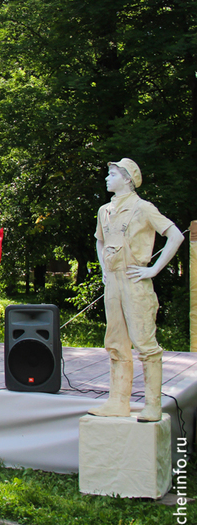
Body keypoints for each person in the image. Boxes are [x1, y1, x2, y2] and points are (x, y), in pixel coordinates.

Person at [88, 158, 183, 422]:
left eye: (113, 173)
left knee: (144, 343)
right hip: (114, 283)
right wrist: (104, 269)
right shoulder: (104, 210)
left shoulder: (143, 208)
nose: (107, 178)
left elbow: (175, 235)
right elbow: (100, 241)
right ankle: (118, 401)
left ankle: (153, 404)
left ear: (128, 179)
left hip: (135, 280)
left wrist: (153, 270)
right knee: (116, 342)